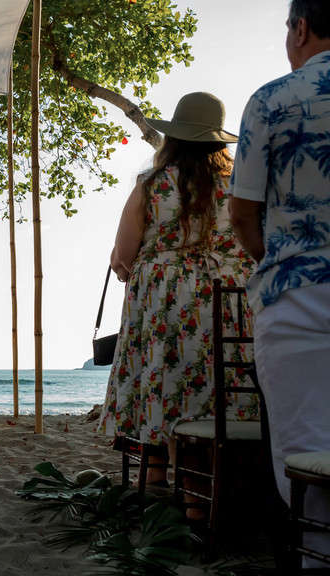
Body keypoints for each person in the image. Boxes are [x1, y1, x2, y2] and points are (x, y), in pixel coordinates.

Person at [98, 92, 257, 486]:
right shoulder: (239, 186)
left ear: (174, 138)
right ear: (219, 143)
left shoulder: (151, 184)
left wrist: (150, 269)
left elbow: (122, 255)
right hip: (230, 301)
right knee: (220, 379)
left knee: (161, 375)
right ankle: (215, 472)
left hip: (164, 300)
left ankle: (154, 473)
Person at [229, 1, 330, 576]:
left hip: (298, 296)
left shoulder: (272, 99)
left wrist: (278, 258)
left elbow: (243, 214)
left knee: (308, 466)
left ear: (300, 26)